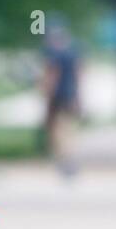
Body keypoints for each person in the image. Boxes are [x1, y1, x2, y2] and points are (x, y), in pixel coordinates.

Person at [40, 16, 82, 175]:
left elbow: (52, 75)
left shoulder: (53, 53)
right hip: (70, 93)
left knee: (56, 129)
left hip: (57, 95)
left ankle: (63, 158)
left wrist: (47, 92)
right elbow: (79, 73)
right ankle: (69, 157)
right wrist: (78, 95)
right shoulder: (73, 51)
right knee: (68, 127)